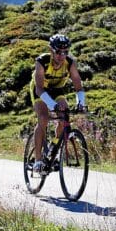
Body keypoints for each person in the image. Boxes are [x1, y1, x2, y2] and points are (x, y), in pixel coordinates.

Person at [31, 33, 86, 172]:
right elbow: (39, 89)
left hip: (57, 90)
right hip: (40, 90)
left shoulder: (70, 63)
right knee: (43, 118)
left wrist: (81, 103)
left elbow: (78, 86)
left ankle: (54, 146)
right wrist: (52, 105)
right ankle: (37, 160)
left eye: (65, 52)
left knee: (65, 116)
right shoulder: (42, 61)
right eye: (58, 52)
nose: (62, 55)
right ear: (51, 50)